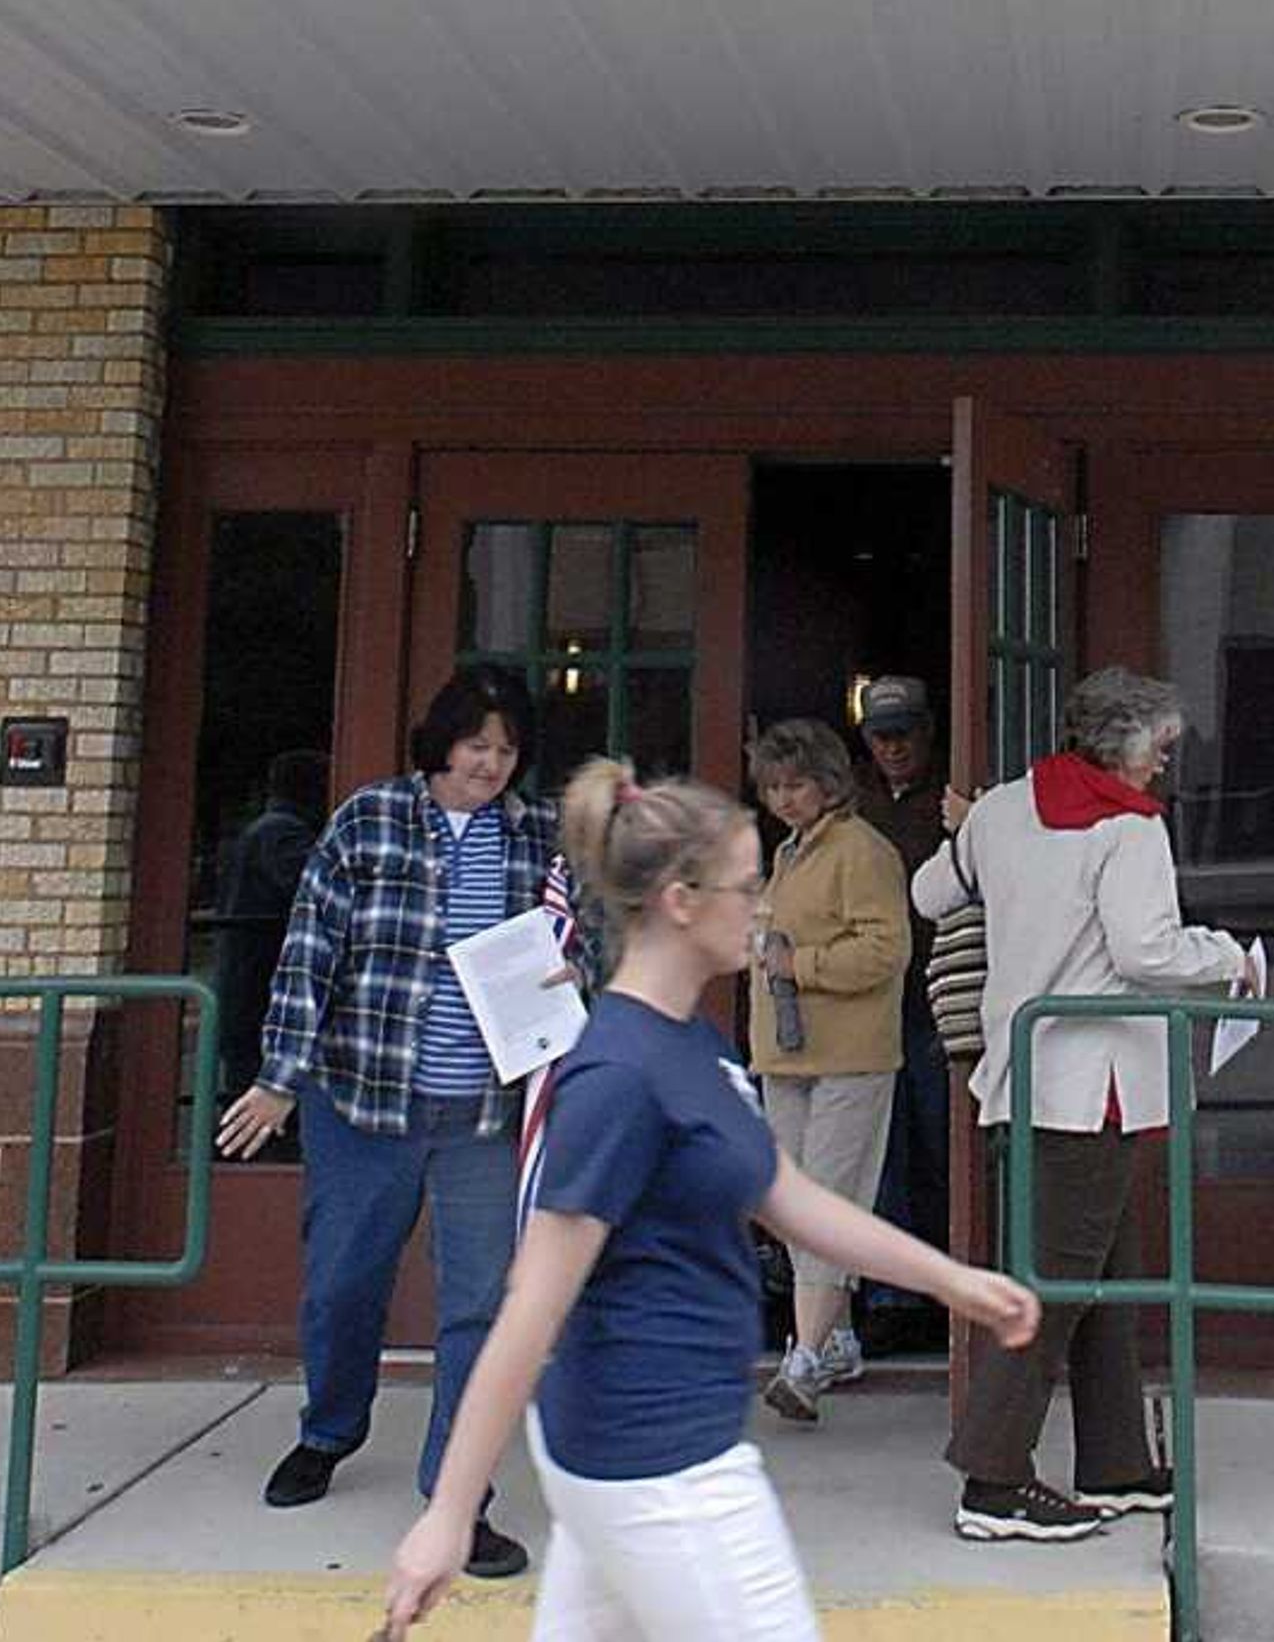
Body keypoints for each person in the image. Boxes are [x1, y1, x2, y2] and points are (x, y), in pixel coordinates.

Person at [374, 759, 1042, 1642]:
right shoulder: (615, 1076)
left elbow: (791, 1197)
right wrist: (449, 1514)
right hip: (659, 1466)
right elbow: (530, 1309)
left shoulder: (693, 1044)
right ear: (681, 901)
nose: (761, 906)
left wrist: (953, 1281)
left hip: (638, 1454)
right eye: (746, 886)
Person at [217, 667, 568, 1575]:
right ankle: (329, 1428)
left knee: (480, 1309)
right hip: (365, 1100)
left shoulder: (540, 835)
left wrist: (581, 982)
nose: (491, 764)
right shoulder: (369, 820)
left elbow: (580, 944)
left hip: (485, 1112)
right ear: (442, 742)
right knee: (343, 1283)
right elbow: (307, 952)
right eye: (476, 745)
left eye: (507, 749)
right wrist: (279, 1078)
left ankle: (460, 1498)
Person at [910, 665, 1261, 1543]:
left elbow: (928, 894)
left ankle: (1116, 1466)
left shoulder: (1002, 809)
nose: (1166, 767)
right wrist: (1227, 957)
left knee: (1101, 1278)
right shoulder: (1131, 831)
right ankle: (991, 1483)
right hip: (1097, 1084)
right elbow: (1145, 952)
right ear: (1128, 745)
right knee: (1054, 1288)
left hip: (1020, 1073)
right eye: (1164, 749)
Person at [743, 717, 909, 1424]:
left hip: (850, 1054)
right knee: (793, 1201)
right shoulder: (791, 853)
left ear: (829, 783)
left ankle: (804, 1358)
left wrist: (798, 964)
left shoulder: (860, 852)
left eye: (797, 784)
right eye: (774, 786)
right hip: (786, 1054)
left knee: (826, 1205)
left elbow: (886, 950)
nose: (784, 798)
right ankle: (836, 1336)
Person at [851, 677, 958, 1275]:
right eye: (880, 735)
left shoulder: (955, 795)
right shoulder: (850, 796)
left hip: (936, 987)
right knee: (879, 1141)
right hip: (868, 993)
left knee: (940, 1138)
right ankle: (890, 1292)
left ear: (928, 730)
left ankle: (946, 1279)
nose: (892, 747)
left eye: (904, 733)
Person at [206, 747, 327, 1114]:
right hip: (259, 980)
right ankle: (244, 1159)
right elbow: (320, 892)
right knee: (252, 1088)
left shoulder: (263, 830)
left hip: (248, 978)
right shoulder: (282, 835)